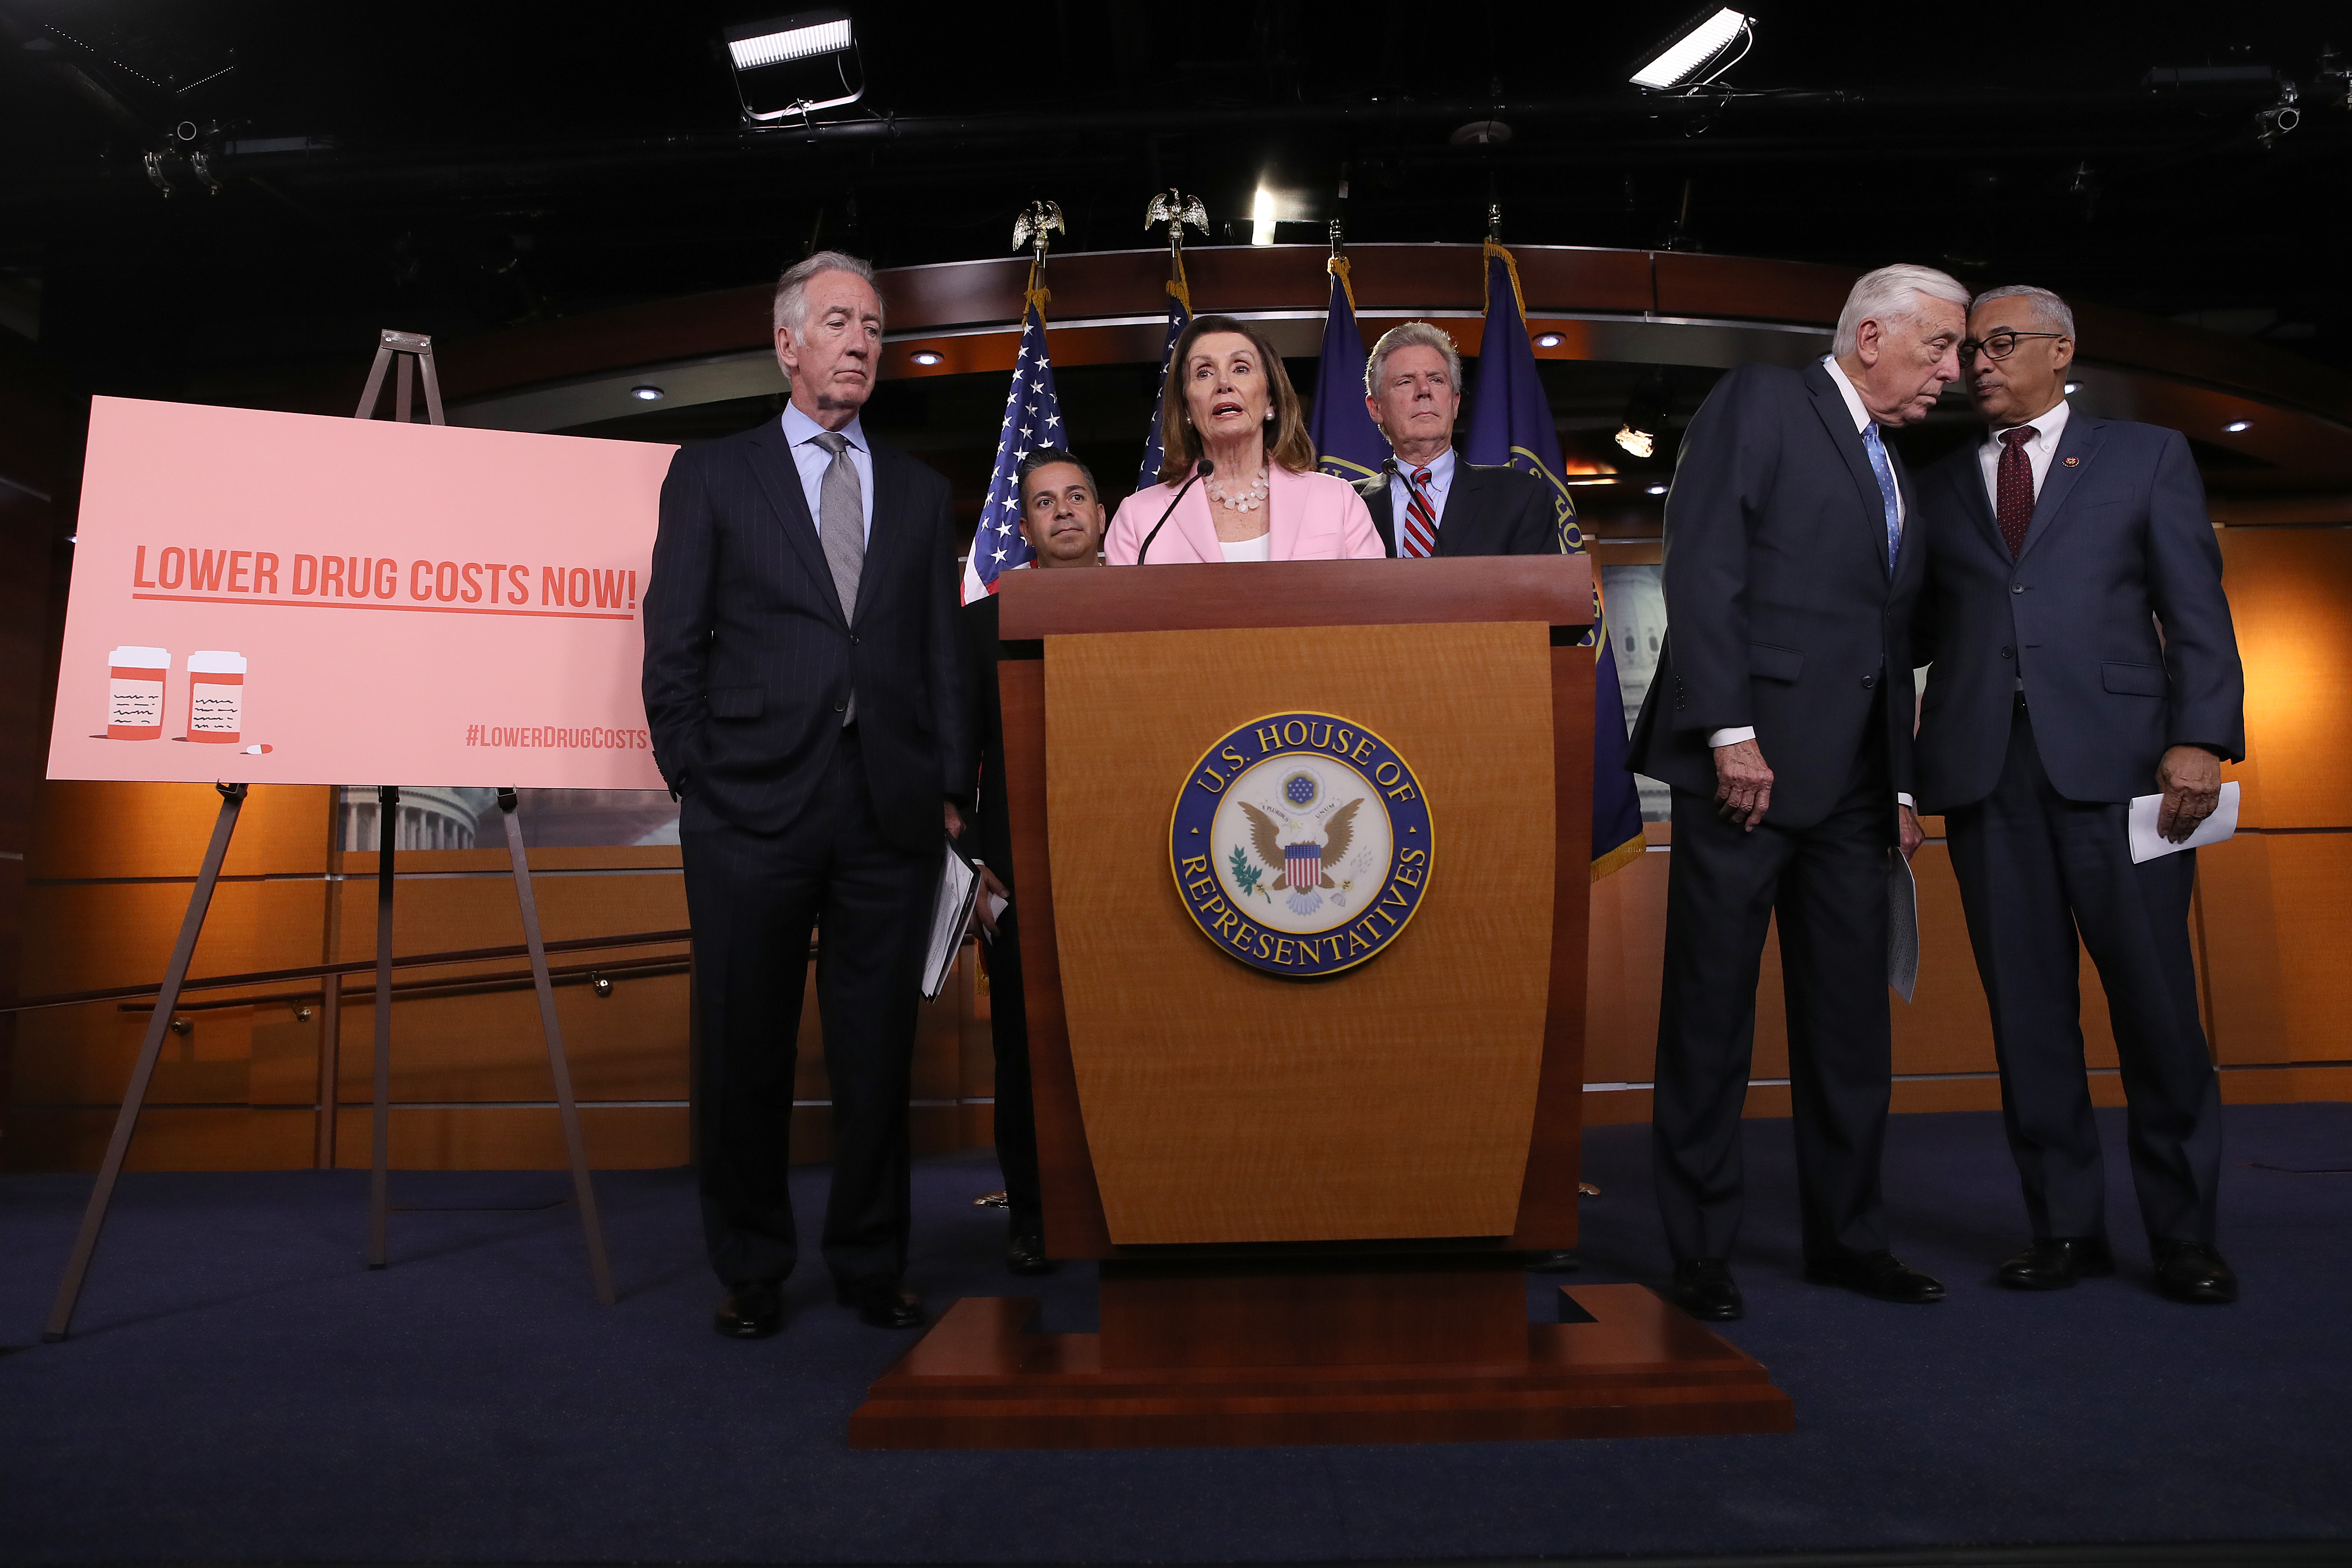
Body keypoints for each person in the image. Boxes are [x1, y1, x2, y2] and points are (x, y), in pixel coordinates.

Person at [1627, 263, 1968, 1323]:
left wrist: (1901, 787)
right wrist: (1728, 729)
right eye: (1939, 347)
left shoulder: (1894, 464)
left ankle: (1847, 1241)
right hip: (1750, 772)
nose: (1952, 373)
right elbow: (1705, 566)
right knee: (1709, 1021)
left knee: (1847, 1030)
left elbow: (1883, 641)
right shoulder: (1763, 401)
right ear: (1871, 337)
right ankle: (1697, 1252)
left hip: (1858, 790)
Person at [642, 250, 973, 1340]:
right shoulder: (711, 473)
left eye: (874, 327)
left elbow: (939, 656)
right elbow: (673, 639)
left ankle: (871, 1263)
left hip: (887, 810)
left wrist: (948, 791)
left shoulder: (922, 493)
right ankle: (752, 1267)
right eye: (839, 322)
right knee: (743, 1048)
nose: (862, 343)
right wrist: (694, 769)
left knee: (876, 1051)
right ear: (787, 344)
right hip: (746, 807)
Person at [1912, 286, 2246, 1305]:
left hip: (2126, 776)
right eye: (1967, 346)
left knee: (2156, 1015)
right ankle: (2064, 1230)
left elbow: (2193, 607)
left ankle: (2182, 1236)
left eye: (1998, 343)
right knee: (2027, 1020)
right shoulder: (1932, 483)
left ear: (2060, 349)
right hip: (1983, 779)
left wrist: (2199, 738)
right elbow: (1907, 636)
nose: (1977, 361)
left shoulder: (2143, 457)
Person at [961, 447, 1106, 1276]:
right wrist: (973, 863)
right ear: (1024, 528)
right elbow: (959, 754)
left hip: (1137, 870)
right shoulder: (983, 624)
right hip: (1020, 875)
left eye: (1077, 496)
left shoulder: (1155, 607)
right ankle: (1033, 1214)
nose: (1063, 512)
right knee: (1025, 1054)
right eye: (1045, 502)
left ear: (1101, 511)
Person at [1106, 314, 1383, 564]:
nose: (1224, 384)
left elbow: (1374, 607)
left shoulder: (1337, 501)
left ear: (1270, 401)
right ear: (1187, 408)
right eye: (1204, 373)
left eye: (1241, 368)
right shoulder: (1140, 520)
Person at [1351, 321, 1555, 558]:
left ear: (1455, 402)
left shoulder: (1520, 496)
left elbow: (1541, 593)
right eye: (1406, 381)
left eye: (1436, 380)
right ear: (1375, 407)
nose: (1424, 390)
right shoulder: (1348, 505)